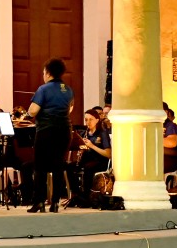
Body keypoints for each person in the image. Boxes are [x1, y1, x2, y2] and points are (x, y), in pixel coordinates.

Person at [26, 58, 74, 213]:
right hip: (65, 130)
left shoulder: (44, 89)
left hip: (46, 130)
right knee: (58, 166)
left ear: (47, 72)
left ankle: (39, 202)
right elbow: (69, 109)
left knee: (40, 167)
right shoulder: (68, 89)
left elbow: (33, 111)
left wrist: (28, 112)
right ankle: (55, 203)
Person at [67, 106, 112, 208]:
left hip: (100, 161)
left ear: (97, 120)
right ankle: (77, 194)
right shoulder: (84, 133)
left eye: (91, 119)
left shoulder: (102, 133)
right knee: (69, 167)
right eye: (86, 120)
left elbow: (108, 154)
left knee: (88, 168)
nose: (88, 122)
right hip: (87, 160)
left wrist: (92, 146)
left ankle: (87, 197)